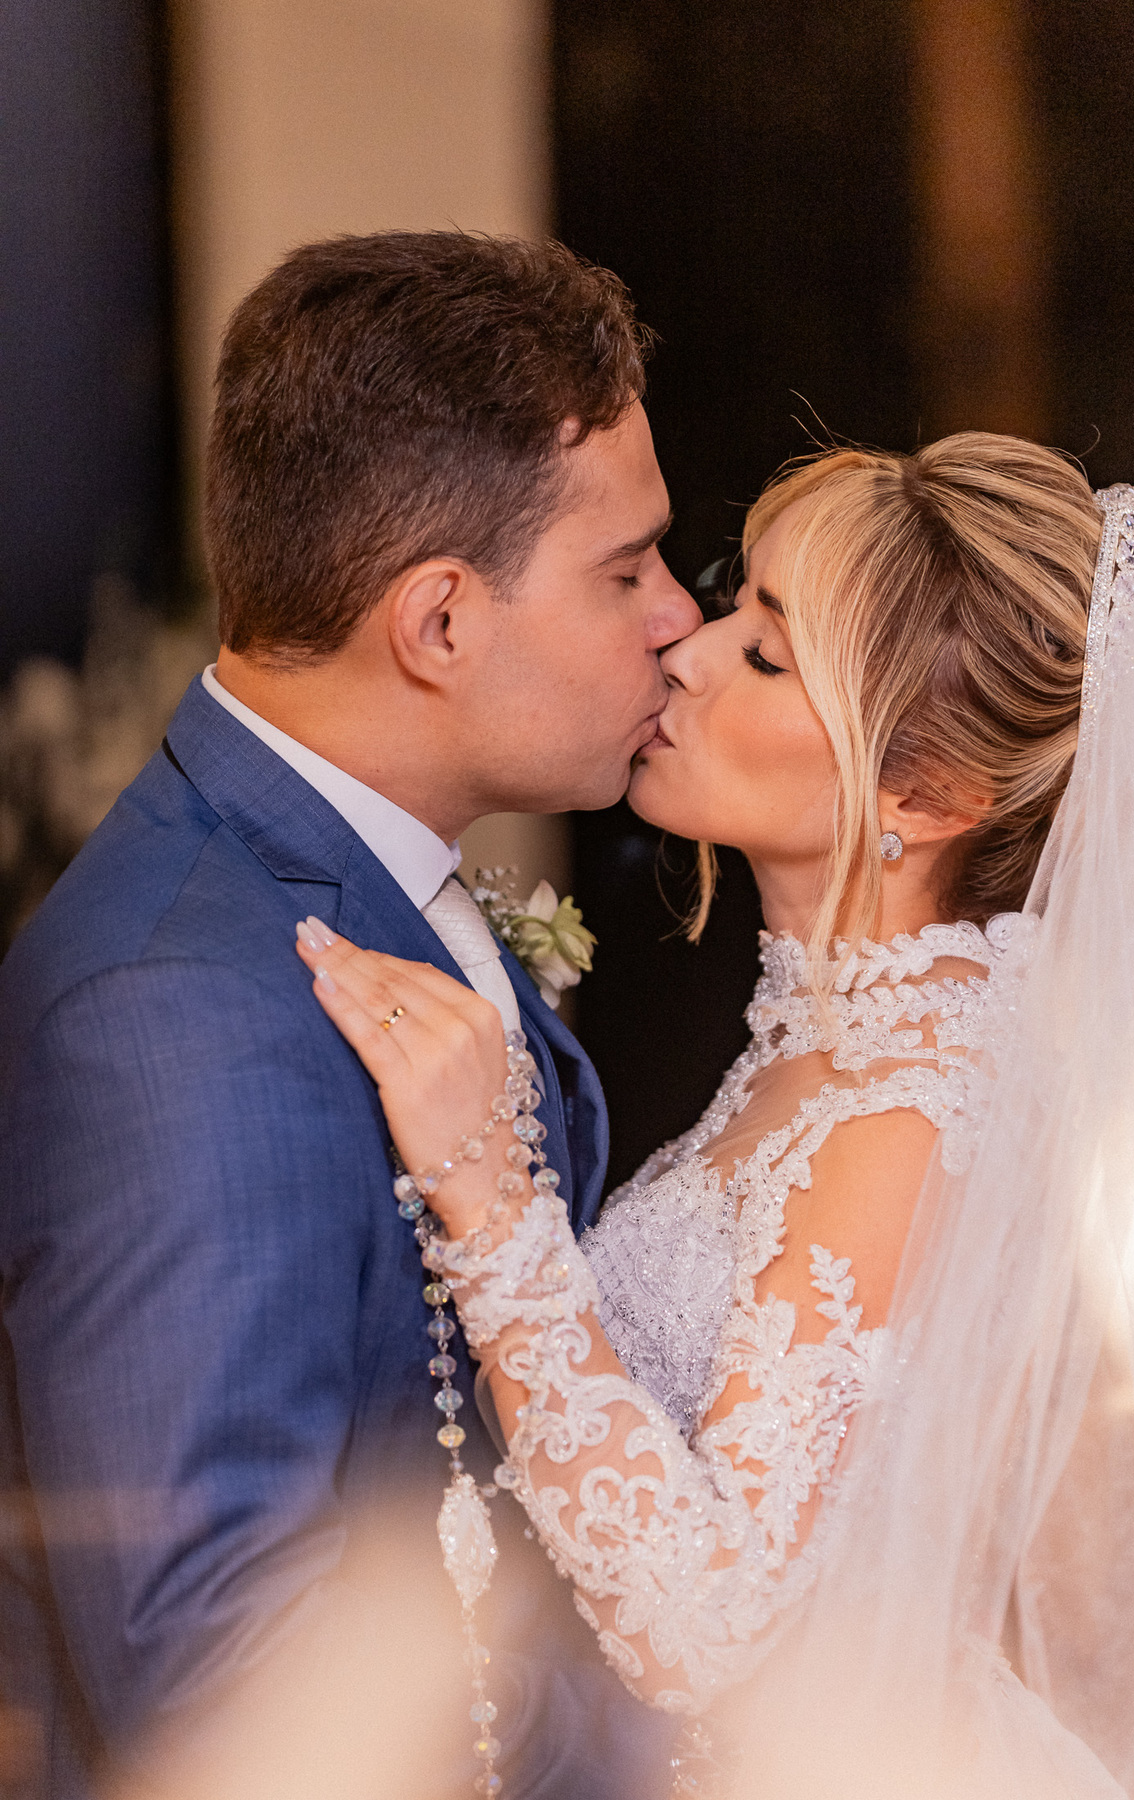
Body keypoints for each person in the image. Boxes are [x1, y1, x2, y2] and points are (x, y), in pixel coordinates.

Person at [298, 434, 1134, 1797]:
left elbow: (714, 1627)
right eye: (734, 600)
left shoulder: (912, 1110)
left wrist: (491, 1204)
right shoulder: (845, 1045)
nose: (688, 651)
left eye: (768, 658)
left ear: (926, 796)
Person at [0, 231, 699, 1800]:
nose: (677, 618)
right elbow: (225, 1676)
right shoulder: (170, 1012)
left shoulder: (361, 886)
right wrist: (693, 1731)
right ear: (439, 622)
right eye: (626, 567)